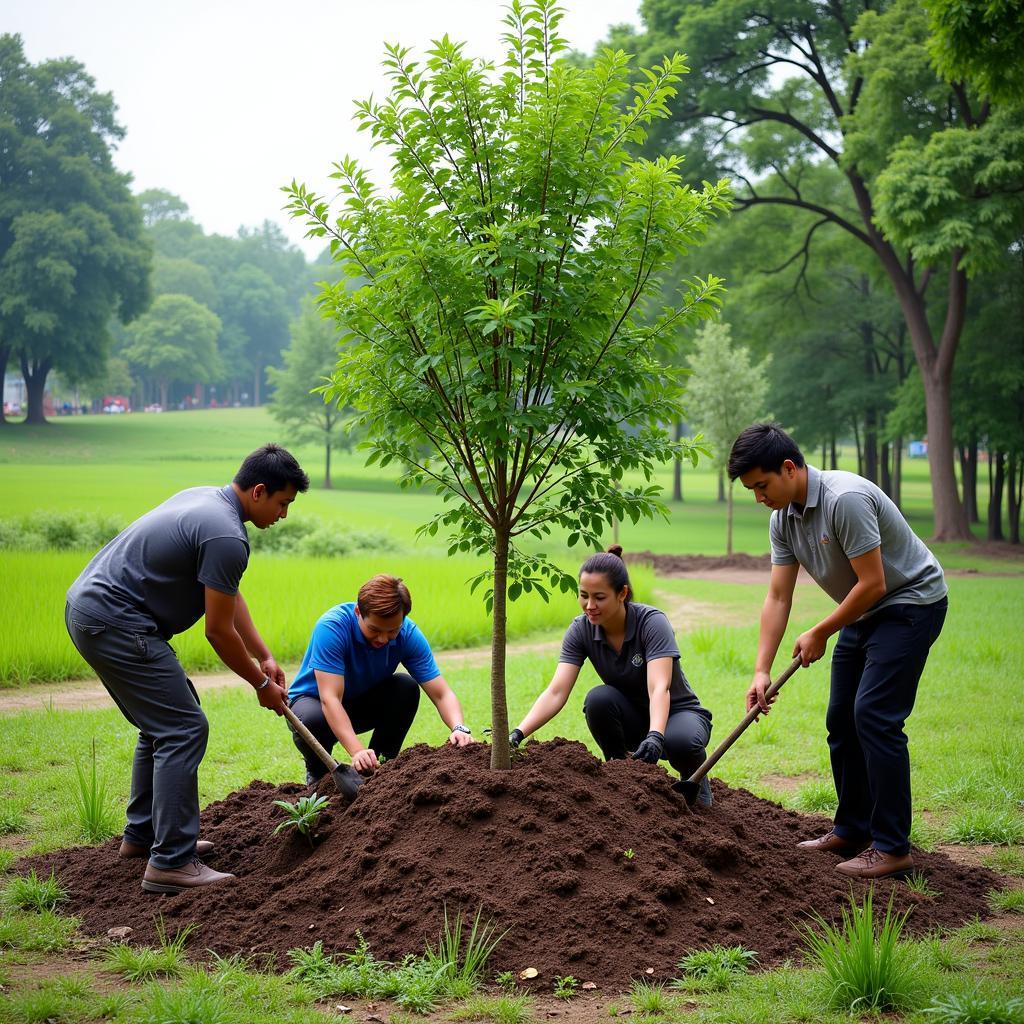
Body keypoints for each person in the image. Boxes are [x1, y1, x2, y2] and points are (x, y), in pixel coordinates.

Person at [65, 444, 309, 894]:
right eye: (283, 502)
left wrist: (264, 655)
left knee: (162, 723)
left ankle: (144, 836)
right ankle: (172, 862)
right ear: (259, 491)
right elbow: (217, 631)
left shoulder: (205, 501)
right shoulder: (227, 536)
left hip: (90, 611)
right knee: (183, 727)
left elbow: (226, 594)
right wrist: (260, 684)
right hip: (118, 621)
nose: (284, 514)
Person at [728, 423, 948, 879]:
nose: (759, 497)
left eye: (762, 486)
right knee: (841, 718)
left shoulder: (843, 499)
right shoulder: (783, 519)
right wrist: (760, 670)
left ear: (789, 468)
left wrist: (821, 631)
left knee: (874, 715)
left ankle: (892, 847)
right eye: (751, 490)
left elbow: (875, 583)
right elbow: (778, 597)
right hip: (863, 611)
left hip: (910, 602)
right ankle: (852, 829)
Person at [509, 547, 714, 805]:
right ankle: (620, 775)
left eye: (599, 597)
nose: (590, 606)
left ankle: (696, 779)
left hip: (676, 713)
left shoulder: (652, 622)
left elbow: (659, 687)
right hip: (632, 715)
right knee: (598, 699)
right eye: (583, 596)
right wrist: (517, 733)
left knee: (680, 741)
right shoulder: (581, 630)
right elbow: (556, 691)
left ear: (622, 594)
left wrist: (655, 736)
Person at [287, 574, 473, 782]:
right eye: (374, 630)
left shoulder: (408, 634)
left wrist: (459, 727)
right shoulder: (332, 627)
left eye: (393, 630)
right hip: (314, 704)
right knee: (314, 719)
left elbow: (442, 693)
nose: (383, 639)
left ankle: (381, 771)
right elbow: (329, 699)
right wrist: (357, 751)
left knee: (405, 687)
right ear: (358, 612)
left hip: (359, 700)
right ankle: (318, 775)